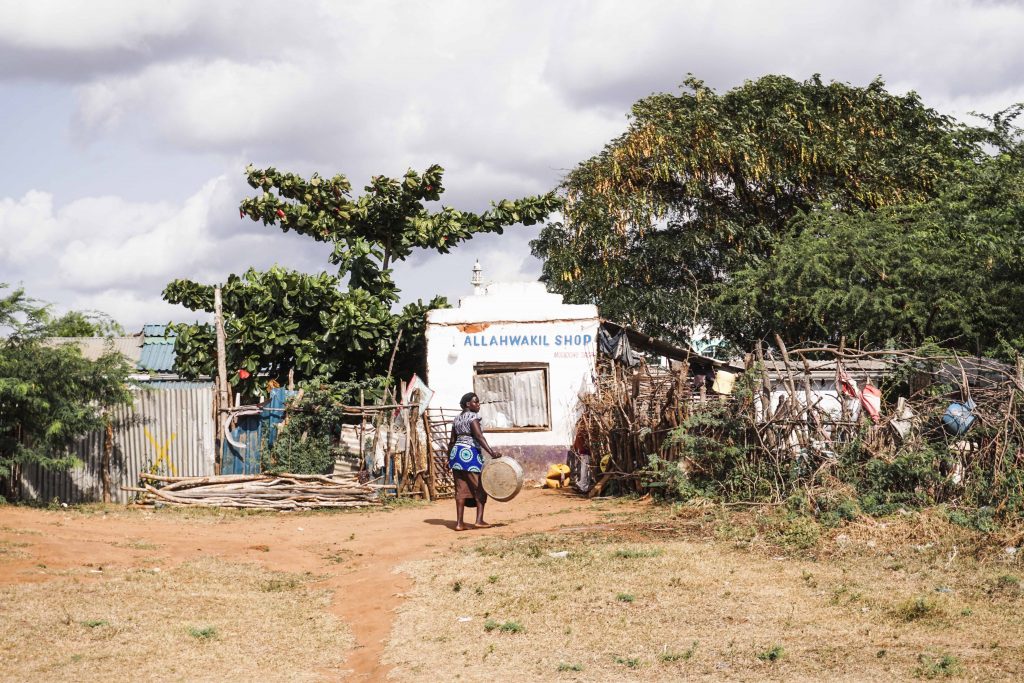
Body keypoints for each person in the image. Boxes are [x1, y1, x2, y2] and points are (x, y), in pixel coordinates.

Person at [446, 392, 498, 530]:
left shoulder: (456, 419)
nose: (478, 404)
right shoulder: (473, 417)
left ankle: (459, 524)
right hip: (469, 455)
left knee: (460, 489)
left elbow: (451, 441)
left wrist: (448, 458)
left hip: (456, 455)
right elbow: (479, 437)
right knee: (480, 487)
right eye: (476, 402)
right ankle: (479, 520)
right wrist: (492, 452)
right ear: (468, 404)